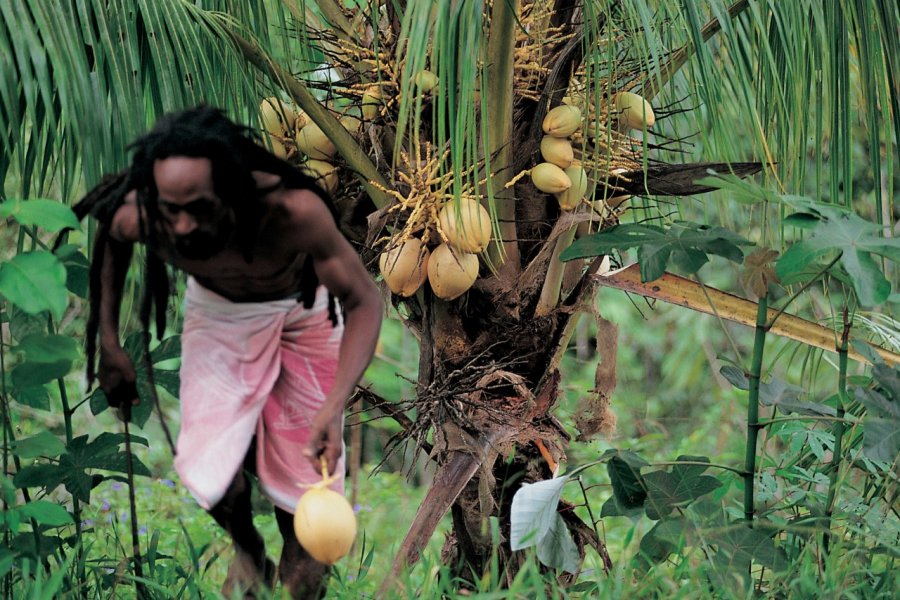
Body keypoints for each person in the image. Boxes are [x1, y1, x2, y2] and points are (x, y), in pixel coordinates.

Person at [77, 106, 383, 598]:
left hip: (304, 313)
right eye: (169, 209)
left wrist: (333, 405)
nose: (179, 226)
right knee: (210, 465)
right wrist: (109, 343)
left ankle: (301, 570)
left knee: (308, 486)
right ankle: (248, 549)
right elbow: (111, 237)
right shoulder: (143, 211)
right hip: (220, 315)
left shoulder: (291, 211)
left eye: (198, 208)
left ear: (233, 188)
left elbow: (364, 300)